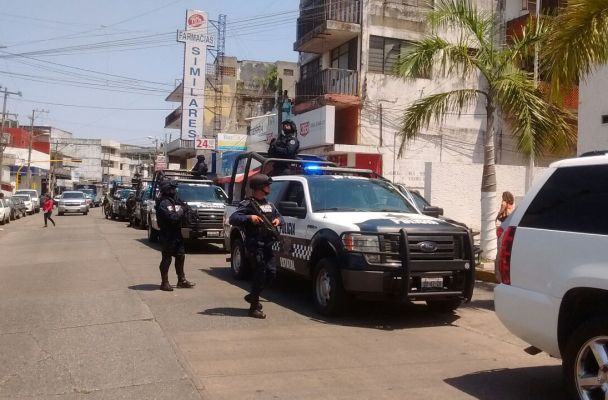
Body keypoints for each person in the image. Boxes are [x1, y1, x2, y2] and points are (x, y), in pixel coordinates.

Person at [229, 174, 283, 319]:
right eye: (267, 185)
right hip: (255, 245)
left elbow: (280, 216)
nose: (269, 188)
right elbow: (233, 218)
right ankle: (253, 308)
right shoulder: (248, 204)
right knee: (260, 274)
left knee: (271, 273)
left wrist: (278, 220)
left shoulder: (269, 204)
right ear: (260, 187)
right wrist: (249, 217)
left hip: (268, 244)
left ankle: (253, 295)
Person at [155, 180, 195, 291]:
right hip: (167, 234)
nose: (174, 191)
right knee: (167, 258)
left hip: (176, 233)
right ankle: (164, 282)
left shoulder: (174, 200)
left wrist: (187, 211)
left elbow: (183, 209)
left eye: (174, 189)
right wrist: (182, 210)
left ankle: (181, 280)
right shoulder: (164, 203)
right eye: (172, 189)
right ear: (167, 190)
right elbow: (173, 218)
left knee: (180, 256)